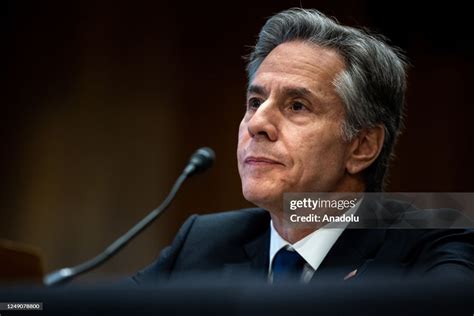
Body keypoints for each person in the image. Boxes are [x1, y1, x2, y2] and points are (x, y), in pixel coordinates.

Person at [131, 8, 473, 284]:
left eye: (297, 106)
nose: (257, 124)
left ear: (362, 146)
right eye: (254, 101)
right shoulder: (202, 242)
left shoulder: (435, 240)